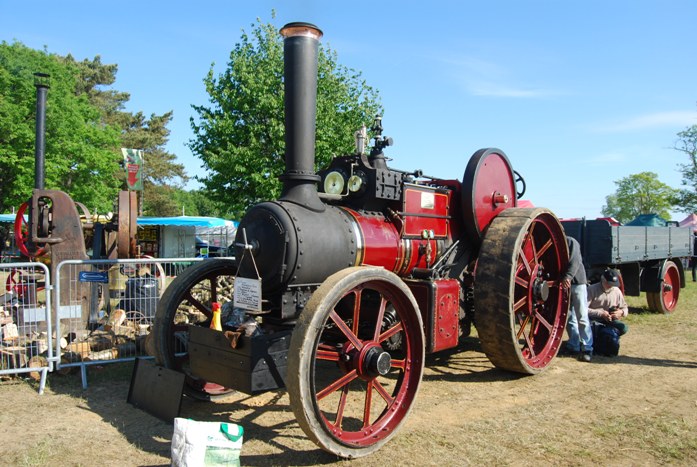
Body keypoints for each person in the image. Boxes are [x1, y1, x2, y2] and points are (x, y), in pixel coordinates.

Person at [560, 237, 593, 362]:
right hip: (564, 284)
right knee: (569, 317)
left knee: (582, 316)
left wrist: (568, 277)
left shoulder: (571, 242)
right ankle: (573, 345)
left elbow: (575, 261)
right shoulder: (554, 242)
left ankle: (587, 348)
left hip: (577, 283)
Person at [587, 269, 629, 356]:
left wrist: (620, 312)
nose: (611, 286)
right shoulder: (591, 289)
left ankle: (609, 338)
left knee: (624, 327)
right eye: (609, 284)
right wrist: (600, 313)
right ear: (603, 280)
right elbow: (583, 309)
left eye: (613, 284)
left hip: (610, 321)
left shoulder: (616, 291)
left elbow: (625, 308)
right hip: (594, 320)